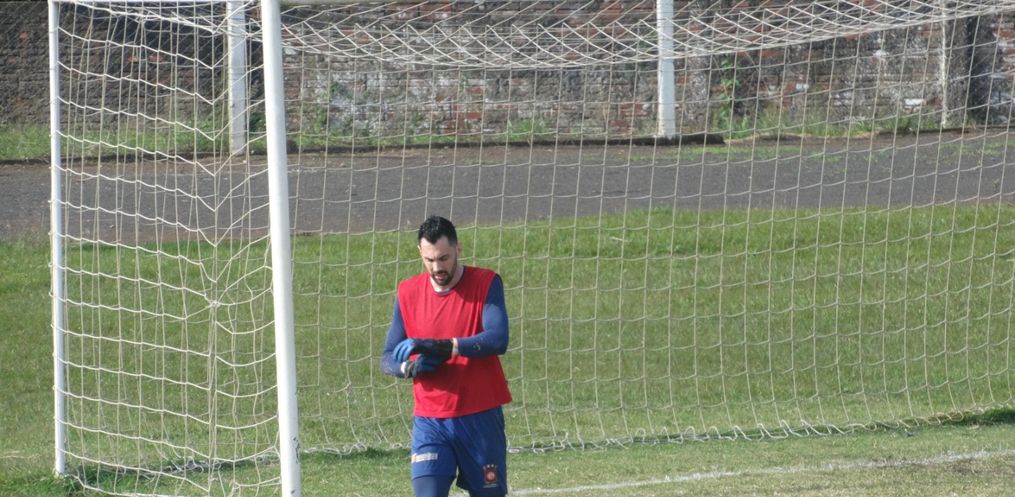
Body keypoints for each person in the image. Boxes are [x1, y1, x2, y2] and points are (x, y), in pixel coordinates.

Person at [380, 215, 512, 497]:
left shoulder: (486, 282)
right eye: (429, 259)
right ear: (420, 252)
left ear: (457, 249)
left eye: (444, 258)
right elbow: (387, 357)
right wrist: (410, 368)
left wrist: (446, 346)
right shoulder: (407, 292)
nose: (437, 267)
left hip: (480, 418)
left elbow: (498, 339)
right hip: (430, 421)